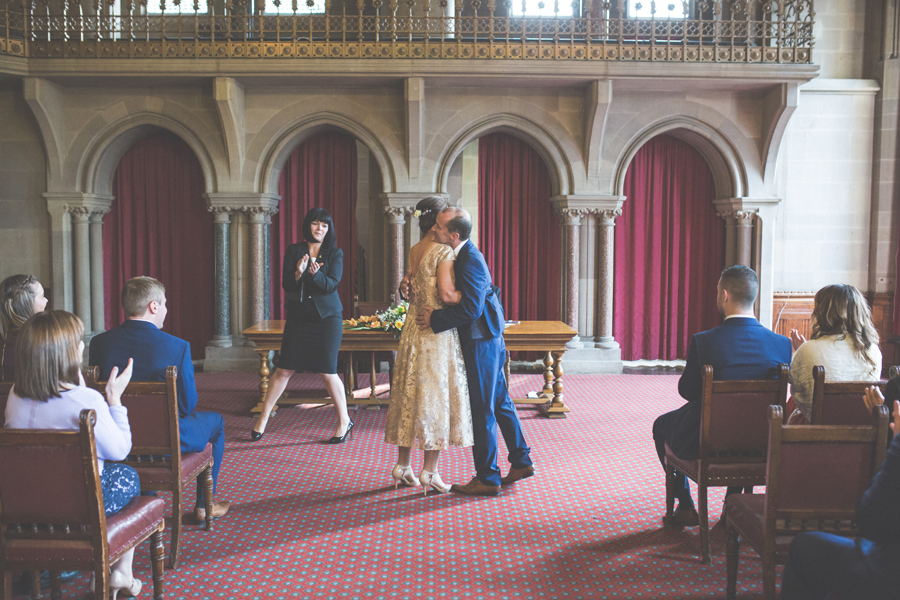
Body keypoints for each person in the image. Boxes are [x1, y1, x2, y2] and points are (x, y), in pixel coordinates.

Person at [4, 311, 142, 600]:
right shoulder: (87, 402)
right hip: (78, 507)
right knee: (129, 477)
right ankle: (120, 571)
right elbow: (120, 450)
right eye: (78, 342)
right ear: (67, 354)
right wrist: (114, 400)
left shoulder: (15, 395)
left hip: (25, 503)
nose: (81, 346)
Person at [652, 265, 792, 526]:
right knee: (746, 425)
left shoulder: (704, 341)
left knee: (661, 425)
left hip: (707, 439)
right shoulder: (782, 344)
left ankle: (685, 507)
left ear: (725, 295)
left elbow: (688, 391)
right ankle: (731, 506)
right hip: (760, 442)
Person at [89, 276, 230, 524]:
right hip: (166, 439)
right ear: (153, 306)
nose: (165, 309)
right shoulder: (178, 347)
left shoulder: (99, 344)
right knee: (216, 423)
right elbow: (187, 406)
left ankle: (146, 497)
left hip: (116, 437)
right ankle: (203, 506)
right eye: (164, 303)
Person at [415, 207, 534, 496]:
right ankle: (521, 460)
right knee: (500, 401)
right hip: (487, 338)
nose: (434, 230)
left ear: (454, 235)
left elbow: (471, 308)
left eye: (440, 228)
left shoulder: (470, 259)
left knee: (483, 410)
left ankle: (487, 477)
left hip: (481, 341)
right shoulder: (463, 254)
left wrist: (435, 320)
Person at [384, 197, 473, 494]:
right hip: (434, 330)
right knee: (433, 398)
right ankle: (429, 472)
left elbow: (413, 285)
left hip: (412, 328)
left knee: (410, 394)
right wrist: (479, 293)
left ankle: (402, 465)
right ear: (438, 222)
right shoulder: (443, 250)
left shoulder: (415, 249)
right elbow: (447, 295)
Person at [780, 386, 900, 599]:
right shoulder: (876, 357)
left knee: (803, 548)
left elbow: (870, 521)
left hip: (889, 572)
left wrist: (896, 441)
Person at [251, 207, 352, 444]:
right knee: (284, 368)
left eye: (325, 226)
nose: (320, 229)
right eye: (316, 224)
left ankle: (344, 421)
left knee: (328, 372)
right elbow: (287, 284)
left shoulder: (334, 253)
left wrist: (315, 275)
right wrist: (298, 273)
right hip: (299, 318)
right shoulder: (295, 250)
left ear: (329, 230)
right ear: (309, 225)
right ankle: (263, 418)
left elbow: (331, 286)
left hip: (327, 319)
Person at [786, 284, 882, 423]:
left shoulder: (808, 349)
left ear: (823, 312)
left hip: (817, 428)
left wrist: (804, 352)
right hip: (861, 425)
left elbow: (797, 388)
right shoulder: (872, 350)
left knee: (790, 404)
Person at [1, 274, 49, 381]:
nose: (46, 300)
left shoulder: (6, 336)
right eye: (42, 296)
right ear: (27, 303)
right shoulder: (38, 340)